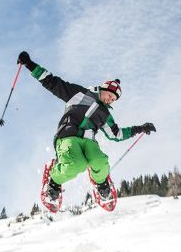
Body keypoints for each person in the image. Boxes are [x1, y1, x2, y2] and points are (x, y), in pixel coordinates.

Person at [17, 51, 156, 201]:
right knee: (76, 165)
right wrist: (29, 64)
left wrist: (141, 128)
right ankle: (53, 180)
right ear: (103, 89)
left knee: (100, 161)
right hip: (67, 137)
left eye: (114, 100)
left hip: (89, 142)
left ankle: (101, 183)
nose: (110, 100)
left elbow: (117, 134)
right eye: (110, 96)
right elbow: (53, 83)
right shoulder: (80, 94)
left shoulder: (106, 116)